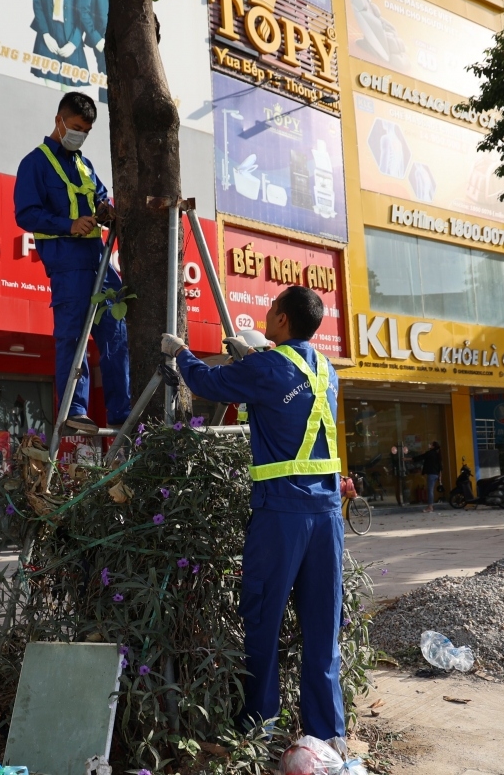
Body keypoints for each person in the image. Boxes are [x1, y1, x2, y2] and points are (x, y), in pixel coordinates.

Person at [162, 285, 346, 743]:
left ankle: (259, 727)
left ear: (282, 320)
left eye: (271, 310)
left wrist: (181, 352)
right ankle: (328, 735)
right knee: (323, 631)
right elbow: (290, 398)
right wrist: (252, 361)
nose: (266, 314)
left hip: (281, 515)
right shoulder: (327, 369)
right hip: (326, 516)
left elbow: (206, 383)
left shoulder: (268, 367)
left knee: (262, 618)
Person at [15, 92, 131, 434]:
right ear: (59, 121)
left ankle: (120, 411)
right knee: (72, 335)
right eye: (76, 127)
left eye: (86, 130)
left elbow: (99, 196)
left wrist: (105, 212)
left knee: (116, 330)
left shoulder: (84, 164)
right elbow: (26, 213)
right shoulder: (33, 163)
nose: (79, 134)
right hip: (67, 261)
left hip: (98, 257)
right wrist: (69, 224)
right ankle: (74, 410)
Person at [30, 0, 88, 87]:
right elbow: (37, 6)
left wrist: (73, 43)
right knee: (51, 89)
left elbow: (84, 15)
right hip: (47, 35)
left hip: (70, 37)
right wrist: (45, 35)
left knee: (68, 92)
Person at [76, 0, 109, 102]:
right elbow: (81, 10)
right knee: (107, 81)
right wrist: (97, 39)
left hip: (111, 41)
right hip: (102, 41)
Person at [413, 441, 442, 512]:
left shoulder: (430, 453)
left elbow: (420, 457)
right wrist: (440, 477)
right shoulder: (437, 455)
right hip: (435, 475)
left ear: (433, 446)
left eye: (431, 444)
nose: (429, 444)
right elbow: (440, 467)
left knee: (430, 490)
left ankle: (430, 507)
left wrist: (408, 459)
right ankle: (430, 506)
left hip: (431, 475)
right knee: (431, 490)